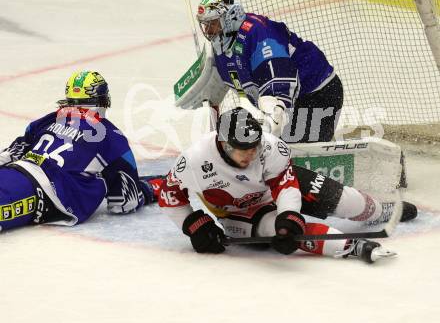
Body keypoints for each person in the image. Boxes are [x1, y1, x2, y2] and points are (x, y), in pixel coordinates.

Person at [158, 107, 417, 263]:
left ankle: (380, 210)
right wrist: (195, 226)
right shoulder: (194, 161)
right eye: (243, 150)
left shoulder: (270, 146)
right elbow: (168, 194)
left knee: (347, 202)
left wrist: (290, 215)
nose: (251, 155)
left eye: (254, 147)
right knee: (278, 230)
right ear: (224, 146)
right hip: (240, 212)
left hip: (273, 188)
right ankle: (352, 247)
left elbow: (285, 184)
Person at [0, 70, 156, 231]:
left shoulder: (48, 119)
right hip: (41, 193)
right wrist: (148, 189)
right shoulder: (112, 136)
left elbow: (8, 155)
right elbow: (124, 203)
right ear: (102, 98)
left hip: (14, 172)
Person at [196, 0, 344, 143]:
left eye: (212, 24)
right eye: (205, 25)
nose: (208, 30)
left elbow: (280, 87)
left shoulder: (260, 35)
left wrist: (275, 117)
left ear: (230, 17)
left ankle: (319, 145)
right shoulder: (223, 42)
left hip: (319, 94)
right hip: (293, 100)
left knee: (283, 147)